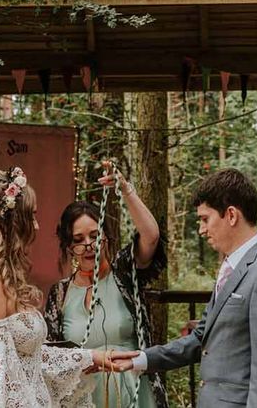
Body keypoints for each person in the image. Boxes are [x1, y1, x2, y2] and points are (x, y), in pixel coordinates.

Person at [111, 168, 257, 408]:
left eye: (205, 218)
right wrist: (142, 359)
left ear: (231, 215)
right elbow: (202, 338)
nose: (201, 229)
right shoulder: (232, 266)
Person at [0, 167, 119, 408]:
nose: (36, 226)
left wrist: (88, 357)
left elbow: (28, 360)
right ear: (11, 220)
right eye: (32, 216)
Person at [44, 162, 169, 408]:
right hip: (83, 398)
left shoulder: (124, 273)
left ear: (106, 236)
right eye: (79, 240)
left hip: (134, 394)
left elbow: (151, 236)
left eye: (94, 235)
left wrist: (125, 189)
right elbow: (52, 356)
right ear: (69, 247)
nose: (89, 245)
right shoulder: (60, 294)